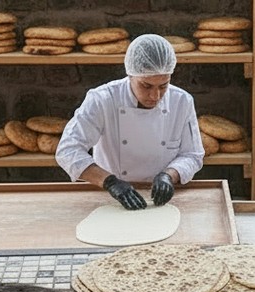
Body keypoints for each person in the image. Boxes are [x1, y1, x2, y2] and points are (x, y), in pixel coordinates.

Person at [56, 34, 204, 210]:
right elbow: (68, 150)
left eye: (163, 85)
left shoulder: (181, 101)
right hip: (110, 199)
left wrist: (169, 176)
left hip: (162, 202)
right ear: (130, 75)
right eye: (146, 86)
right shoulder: (103, 99)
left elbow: (192, 155)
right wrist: (110, 182)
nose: (155, 96)